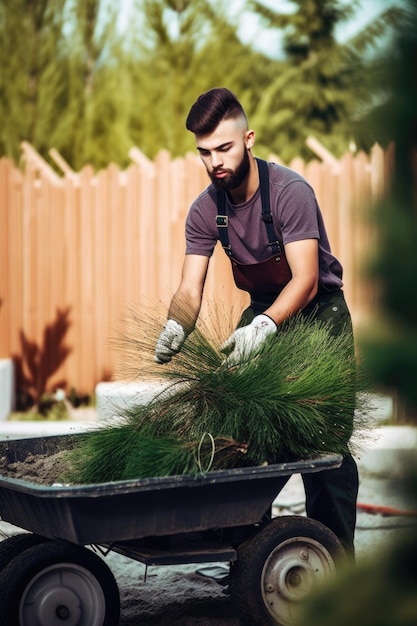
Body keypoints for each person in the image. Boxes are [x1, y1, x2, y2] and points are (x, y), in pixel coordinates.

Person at [154, 87, 358, 555]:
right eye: (204, 153)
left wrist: (264, 327)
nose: (214, 162)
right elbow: (190, 288)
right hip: (262, 310)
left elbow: (306, 279)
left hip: (319, 314)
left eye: (223, 148)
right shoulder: (206, 210)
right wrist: (175, 327)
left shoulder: (290, 192)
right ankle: (249, 558)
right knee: (240, 431)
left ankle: (335, 563)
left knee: (323, 445)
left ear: (248, 139)